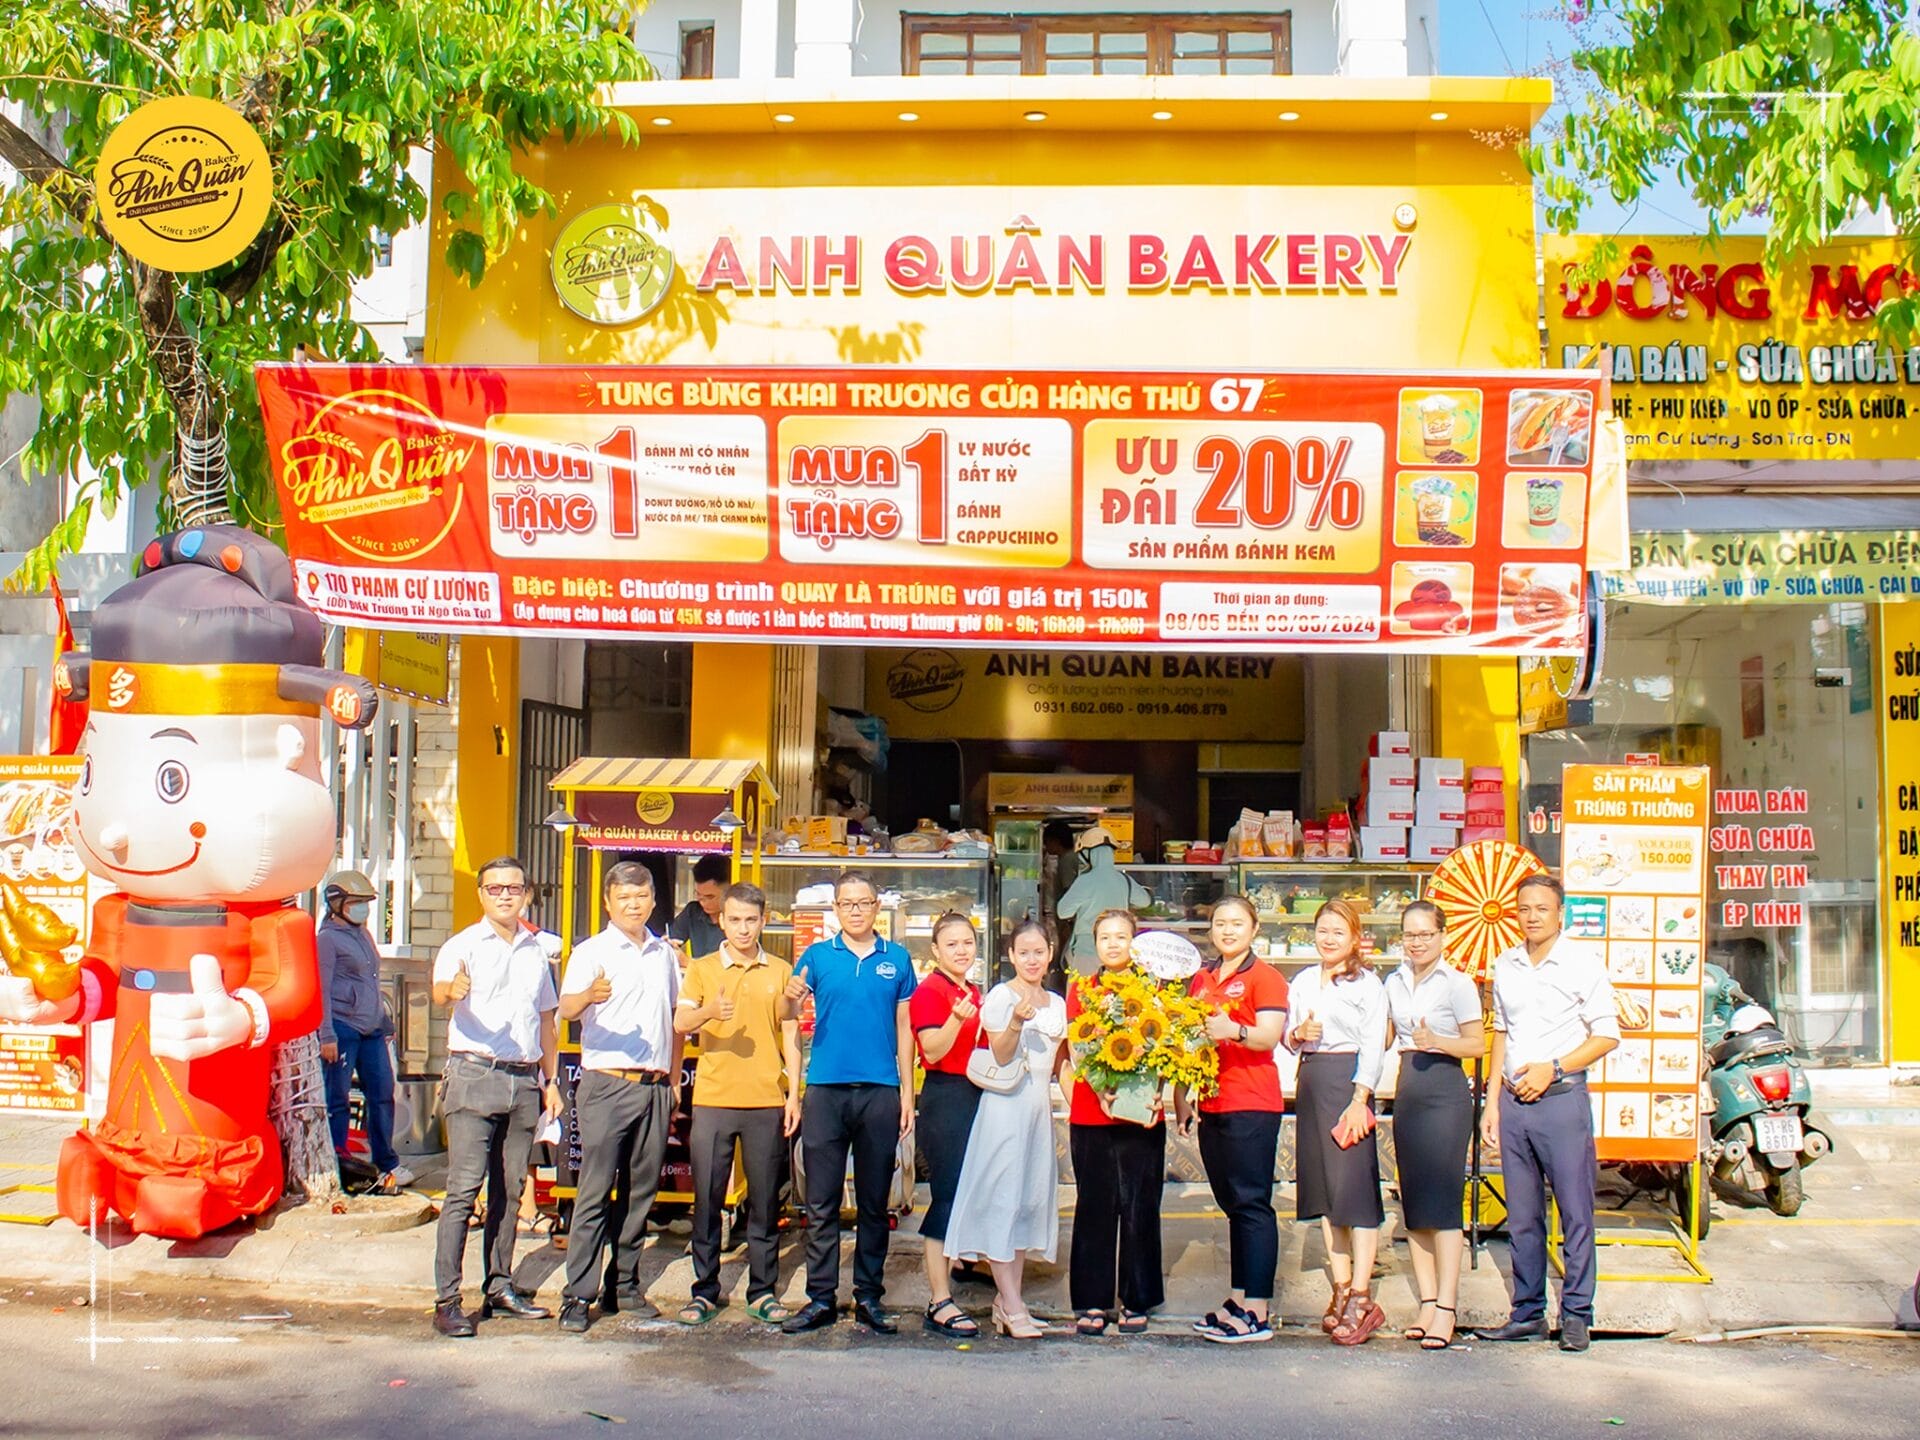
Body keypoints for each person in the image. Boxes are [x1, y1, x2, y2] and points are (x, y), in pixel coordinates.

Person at [1479, 874, 1620, 1353]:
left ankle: (1578, 1313)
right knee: (1522, 1215)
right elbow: (1502, 1032)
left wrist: (1554, 1067)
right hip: (1514, 1103)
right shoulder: (1507, 963)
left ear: (1561, 913)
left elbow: (1606, 1035)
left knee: (1576, 1211)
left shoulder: (1582, 963)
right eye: (1524, 908)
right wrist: (1492, 1102)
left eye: (1542, 908)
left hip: (1561, 1100)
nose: (1532, 916)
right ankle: (1527, 1312)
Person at [430, 856, 565, 1338]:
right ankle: (447, 1299)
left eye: (514, 888)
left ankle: (500, 1285)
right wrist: (453, 989)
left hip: (525, 1080)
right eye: (495, 888)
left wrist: (551, 1082)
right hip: (474, 1074)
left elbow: (547, 1020)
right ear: (481, 894)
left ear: (526, 893)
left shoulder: (536, 950)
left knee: (511, 1189)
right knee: (464, 1191)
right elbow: (440, 993)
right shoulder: (462, 945)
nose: (505, 896)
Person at [782, 871, 918, 1335]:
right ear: (835, 909)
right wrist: (788, 1000)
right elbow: (788, 1018)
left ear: (877, 907)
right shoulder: (817, 957)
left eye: (863, 903)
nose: (855, 910)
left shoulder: (896, 959)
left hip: (880, 1092)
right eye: (846, 903)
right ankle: (820, 1297)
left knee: (875, 1204)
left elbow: (905, 1030)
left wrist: (906, 1093)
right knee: (819, 1202)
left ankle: (868, 1296)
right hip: (825, 1090)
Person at [554, 861, 684, 1333]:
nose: (634, 905)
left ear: (653, 900)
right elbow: (565, 1009)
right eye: (624, 898)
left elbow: (676, 1019)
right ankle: (577, 1295)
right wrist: (588, 994)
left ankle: (623, 1286)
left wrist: (672, 1082)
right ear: (608, 903)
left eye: (641, 896)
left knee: (640, 1193)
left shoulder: (663, 954)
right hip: (606, 1084)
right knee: (593, 1192)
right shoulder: (590, 952)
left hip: (653, 1088)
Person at [674, 881, 802, 1327]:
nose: (743, 929)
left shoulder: (781, 970)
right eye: (735, 920)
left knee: (765, 1204)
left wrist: (794, 1093)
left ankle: (763, 1290)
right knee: (708, 1201)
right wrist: (710, 1011)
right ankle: (704, 1290)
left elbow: (791, 1033)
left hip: (767, 1100)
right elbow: (681, 1020)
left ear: (763, 921)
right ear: (721, 921)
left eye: (751, 920)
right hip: (713, 1099)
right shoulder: (704, 969)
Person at [943, 920, 1068, 1339]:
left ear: (1050, 953)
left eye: (1039, 951)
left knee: (1024, 1202)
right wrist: (1015, 1021)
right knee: (1002, 1199)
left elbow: (1063, 1065)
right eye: (1023, 952)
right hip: (1004, 1110)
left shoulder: (1057, 1003)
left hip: (1037, 1114)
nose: (1032, 959)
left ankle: (1008, 1300)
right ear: (1011, 956)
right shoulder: (1000, 996)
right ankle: (1012, 1305)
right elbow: (1000, 1051)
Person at [1176, 894, 1289, 1345]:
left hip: (1252, 1103)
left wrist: (1235, 1030)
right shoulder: (1201, 978)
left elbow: (1269, 1036)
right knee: (1231, 1205)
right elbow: (1188, 1040)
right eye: (1220, 922)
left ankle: (1257, 1310)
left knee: (1252, 1205)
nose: (1227, 930)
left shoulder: (1267, 978)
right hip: (1212, 1103)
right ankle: (1240, 1298)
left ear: (1254, 929)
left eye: (1236, 923)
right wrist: (1181, 1096)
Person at [1286, 898, 1390, 1347]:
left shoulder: (1368, 985)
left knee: (1356, 1192)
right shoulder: (1304, 981)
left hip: (1349, 1086)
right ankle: (1341, 1286)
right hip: (1313, 1082)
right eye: (1322, 930)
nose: (1328, 938)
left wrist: (1360, 1097)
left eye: (1337, 932)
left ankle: (1363, 1296)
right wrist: (1297, 1036)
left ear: (1354, 938)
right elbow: (1291, 1038)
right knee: (1327, 1194)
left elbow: (1373, 1045)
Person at [1384, 901, 1485, 1351]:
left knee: (1444, 1204)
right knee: (1416, 1202)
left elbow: (1477, 1044)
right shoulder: (1394, 980)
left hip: (1445, 1090)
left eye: (1425, 934)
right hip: (1408, 1087)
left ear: (1442, 936)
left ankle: (1447, 1306)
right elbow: (1385, 1035)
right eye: (1410, 935)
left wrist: (1437, 1042)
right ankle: (1427, 1302)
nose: (1417, 942)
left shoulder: (1457, 983)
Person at [1068, 908, 1165, 1336]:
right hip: (1091, 1112)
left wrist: (1161, 1086)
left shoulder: (1155, 990)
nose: (1112, 944)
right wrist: (1099, 1084)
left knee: (1140, 1205)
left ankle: (1137, 1297)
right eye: (1104, 937)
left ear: (1134, 941)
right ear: (1095, 942)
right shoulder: (1081, 989)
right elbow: (1078, 1047)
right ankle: (1091, 1300)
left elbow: (1168, 1043)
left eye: (1121, 936)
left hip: (1141, 1114)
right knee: (1094, 1206)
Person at [908, 912, 986, 1338]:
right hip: (945, 1097)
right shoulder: (931, 991)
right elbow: (933, 1051)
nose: (961, 951)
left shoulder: (971, 990)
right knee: (948, 1194)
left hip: (976, 1094)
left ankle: (966, 1262)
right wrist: (956, 1019)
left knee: (972, 1189)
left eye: (968, 943)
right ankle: (938, 1299)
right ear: (935, 951)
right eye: (952, 944)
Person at [315, 870, 415, 1192]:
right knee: (337, 1099)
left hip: (372, 1030)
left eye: (365, 903)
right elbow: (322, 989)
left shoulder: (364, 935)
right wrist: (326, 1035)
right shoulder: (327, 940)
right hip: (342, 1028)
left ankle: (387, 1162)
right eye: (356, 902)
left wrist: (384, 1023)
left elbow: (371, 981)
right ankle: (338, 1161)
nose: (363, 909)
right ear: (337, 903)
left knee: (382, 1095)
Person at [1055, 828, 1149, 977]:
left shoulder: (1084, 881)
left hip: (1087, 950)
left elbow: (1062, 911)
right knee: (1114, 996)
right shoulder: (1123, 880)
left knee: (1083, 994)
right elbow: (1145, 901)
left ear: (1088, 853)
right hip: (1117, 950)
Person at [668, 854, 730, 959]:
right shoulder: (693, 912)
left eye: (710, 897)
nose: (703, 902)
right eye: (698, 895)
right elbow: (671, 939)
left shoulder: (739, 919)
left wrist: (688, 963)